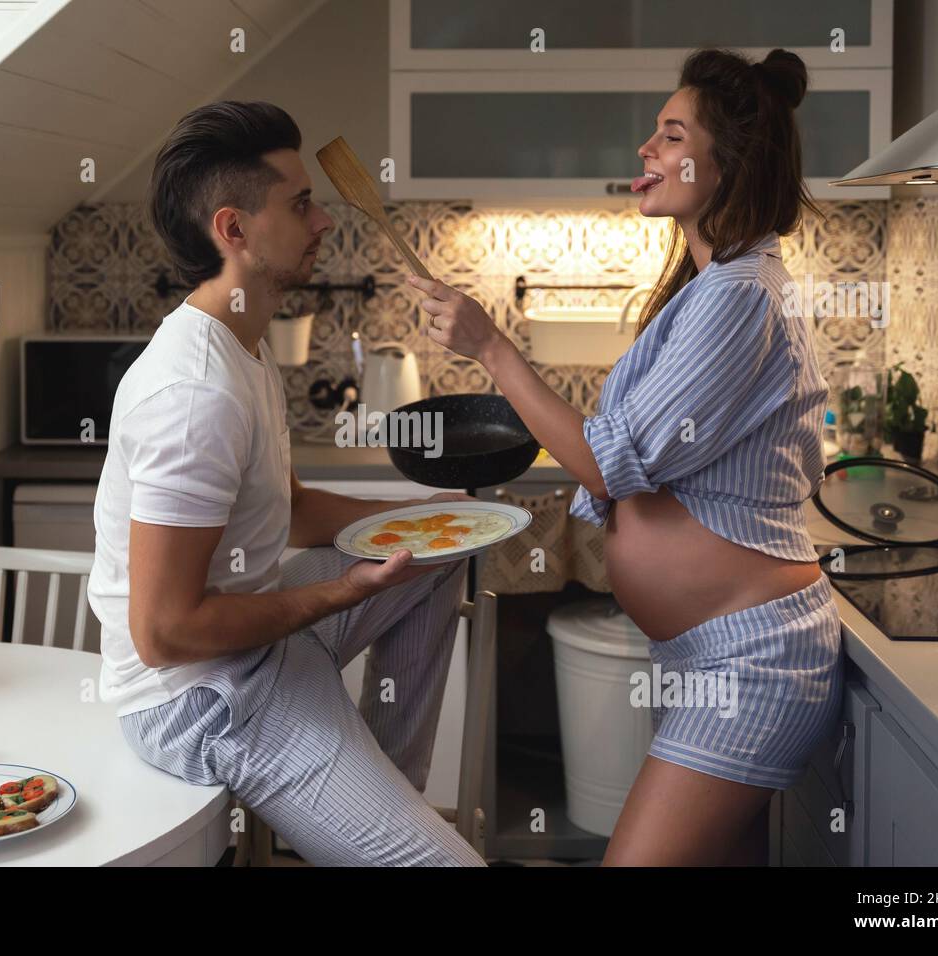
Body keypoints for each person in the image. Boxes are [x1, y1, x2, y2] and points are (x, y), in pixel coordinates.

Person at [408, 49, 843, 866]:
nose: (645, 149)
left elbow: (609, 464)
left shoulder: (740, 298)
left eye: (670, 133)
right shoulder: (718, 287)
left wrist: (491, 348)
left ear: (727, 165)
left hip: (751, 662)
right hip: (712, 653)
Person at [88, 101, 483, 866]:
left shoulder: (242, 344)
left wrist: (419, 515)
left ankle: (380, 795)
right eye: (300, 203)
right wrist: (338, 595)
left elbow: (291, 508)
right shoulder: (195, 394)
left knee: (443, 551)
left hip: (257, 646)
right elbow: (163, 634)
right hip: (201, 699)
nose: (324, 219)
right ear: (234, 231)